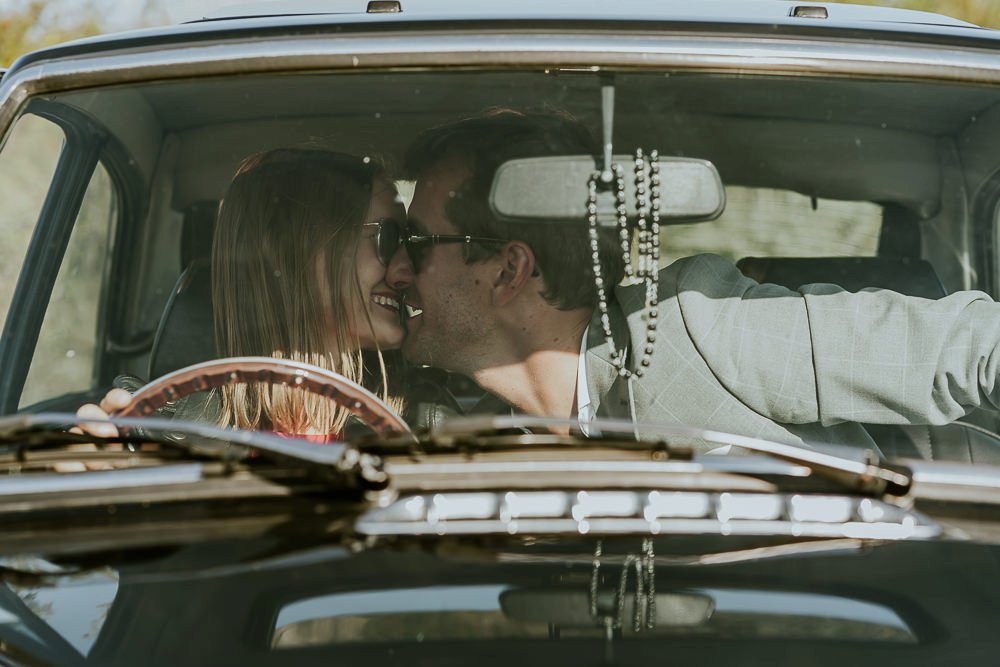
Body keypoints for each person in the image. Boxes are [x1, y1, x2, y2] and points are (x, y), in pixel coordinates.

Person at [384, 108, 1000, 450]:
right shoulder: (465, 425)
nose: (399, 268)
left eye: (416, 242)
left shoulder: (697, 327)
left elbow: (969, 347)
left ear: (509, 270)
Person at [77, 148, 412, 441]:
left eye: (410, 242)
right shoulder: (155, 434)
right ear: (298, 250)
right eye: (389, 238)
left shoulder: (433, 427)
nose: (406, 271)